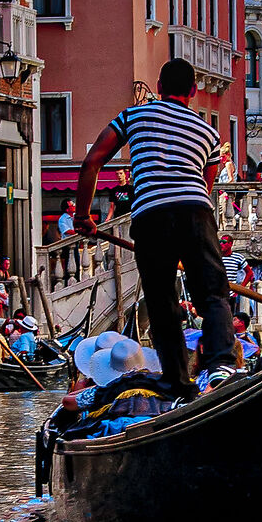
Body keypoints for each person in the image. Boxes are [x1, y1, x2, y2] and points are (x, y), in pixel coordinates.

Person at [73, 57, 238, 395]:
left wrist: (83, 216)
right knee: (213, 295)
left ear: (159, 88)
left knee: (162, 300)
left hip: (151, 216)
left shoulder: (133, 116)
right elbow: (205, 186)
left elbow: (92, 162)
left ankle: (178, 381)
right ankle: (221, 365)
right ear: (193, 91)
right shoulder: (208, 132)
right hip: (196, 213)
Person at [53, 198, 78, 284]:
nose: (74, 206)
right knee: (69, 264)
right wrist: (78, 232)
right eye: (72, 205)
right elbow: (67, 231)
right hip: (68, 244)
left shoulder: (75, 216)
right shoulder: (62, 219)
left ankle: (77, 279)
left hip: (76, 242)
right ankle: (69, 282)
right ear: (67, 209)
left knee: (77, 263)